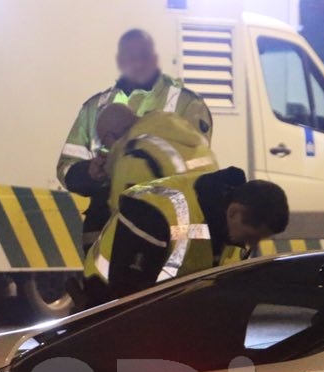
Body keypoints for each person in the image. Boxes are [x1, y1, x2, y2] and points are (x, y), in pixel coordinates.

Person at [56, 29, 214, 249]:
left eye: (144, 56)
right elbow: (66, 168)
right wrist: (91, 172)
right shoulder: (94, 107)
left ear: (155, 59)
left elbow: (199, 167)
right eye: (131, 57)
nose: (137, 63)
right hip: (108, 226)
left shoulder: (187, 104)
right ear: (120, 61)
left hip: (170, 222)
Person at [83, 169, 290, 301]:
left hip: (170, 310)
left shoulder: (228, 225)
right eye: (251, 236)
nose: (251, 245)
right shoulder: (156, 212)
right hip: (105, 302)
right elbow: (128, 293)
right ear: (233, 211)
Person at [95, 103, 218, 211]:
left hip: (176, 232)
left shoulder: (134, 156)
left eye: (105, 144)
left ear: (110, 136)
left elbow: (123, 215)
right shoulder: (183, 134)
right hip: (211, 225)